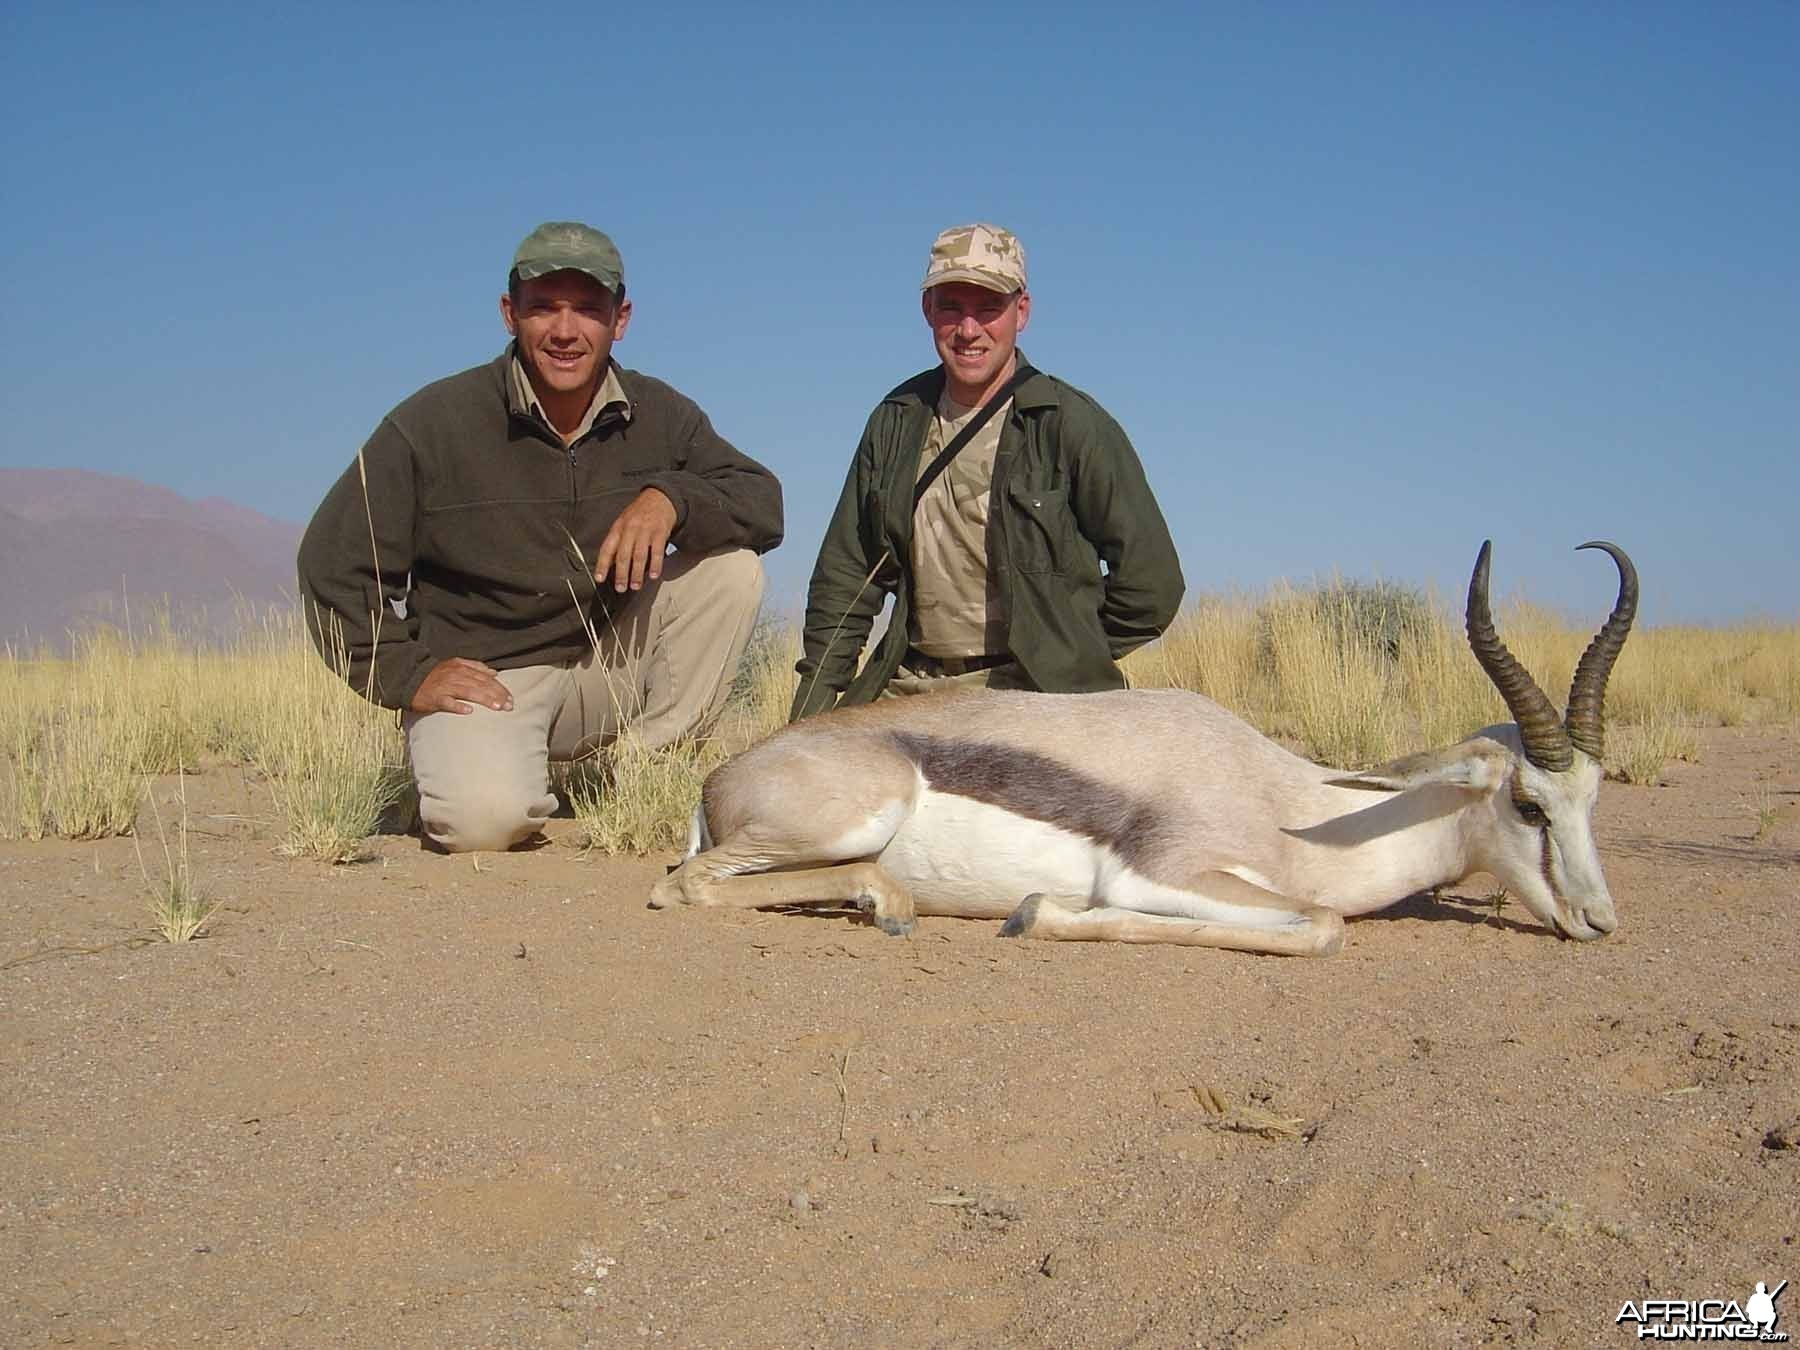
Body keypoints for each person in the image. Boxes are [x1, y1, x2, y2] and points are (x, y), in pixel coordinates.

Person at [298, 221, 783, 852]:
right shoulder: (433, 422)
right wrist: (406, 674)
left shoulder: (660, 413)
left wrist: (671, 498)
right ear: (509, 314)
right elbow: (332, 563)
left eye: (586, 309)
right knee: (485, 826)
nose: (564, 330)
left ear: (621, 318)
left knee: (733, 569)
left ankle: (637, 774)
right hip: (490, 680)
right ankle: (461, 767)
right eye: (542, 308)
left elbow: (761, 500)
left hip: (604, 667)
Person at [789, 223, 1182, 720]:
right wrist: (809, 718)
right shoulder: (893, 420)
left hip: (1034, 696)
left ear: (1022, 312)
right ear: (927, 309)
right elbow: (845, 579)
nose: (969, 330)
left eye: (988, 308)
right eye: (952, 306)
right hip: (910, 689)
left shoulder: (1072, 423)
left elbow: (1154, 586)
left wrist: (1065, 652)